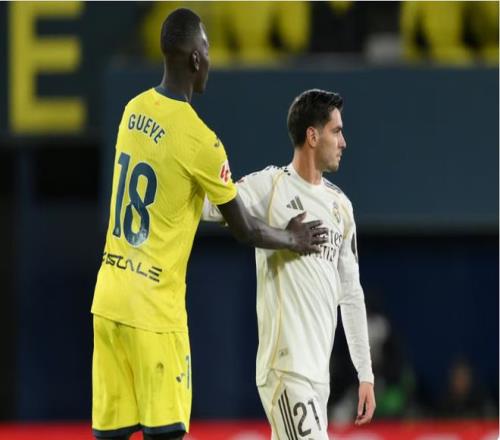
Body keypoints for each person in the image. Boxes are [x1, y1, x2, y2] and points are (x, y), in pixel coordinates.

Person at [90, 9, 327, 440]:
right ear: (196, 59)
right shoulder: (201, 142)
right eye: (208, 48)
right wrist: (292, 237)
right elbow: (245, 229)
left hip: (108, 300)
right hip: (154, 311)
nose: (211, 59)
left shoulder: (132, 110)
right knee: (167, 434)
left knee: (112, 436)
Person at [203, 89, 376, 438]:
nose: (343, 142)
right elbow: (210, 207)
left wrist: (366, 374)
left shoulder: (341, 207)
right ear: (312, 136)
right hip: (285, 367)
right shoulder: (270, 187)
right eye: (336, 131)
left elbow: (351, 294)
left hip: (317, 376)